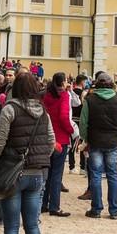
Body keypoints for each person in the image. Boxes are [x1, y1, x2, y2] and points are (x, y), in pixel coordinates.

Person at [0, 71, 55, 234]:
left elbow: (0, 139)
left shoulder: (10, 109)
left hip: (12, 170)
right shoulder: (43, 112)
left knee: (11, 227)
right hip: (35, 172)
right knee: (32, 225)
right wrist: (40, 158)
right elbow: (51, 141)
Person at [79, 71, 117, 219]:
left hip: (95, 141)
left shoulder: (90, 100)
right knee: (112, 175)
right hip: (112, 141)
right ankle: (114, 210)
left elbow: (83, 124)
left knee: (96, 175)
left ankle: (96, 208)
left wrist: (85, 137)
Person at [41, 72, 76, 217]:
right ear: (63, 82)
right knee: (56, 173)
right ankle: (54, 206)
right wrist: (71, 131)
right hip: (60, 137)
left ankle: (43, 203)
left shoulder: (46, 94)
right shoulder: (64, 95)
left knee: (47, 172)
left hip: (47, 136)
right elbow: (63, 116)